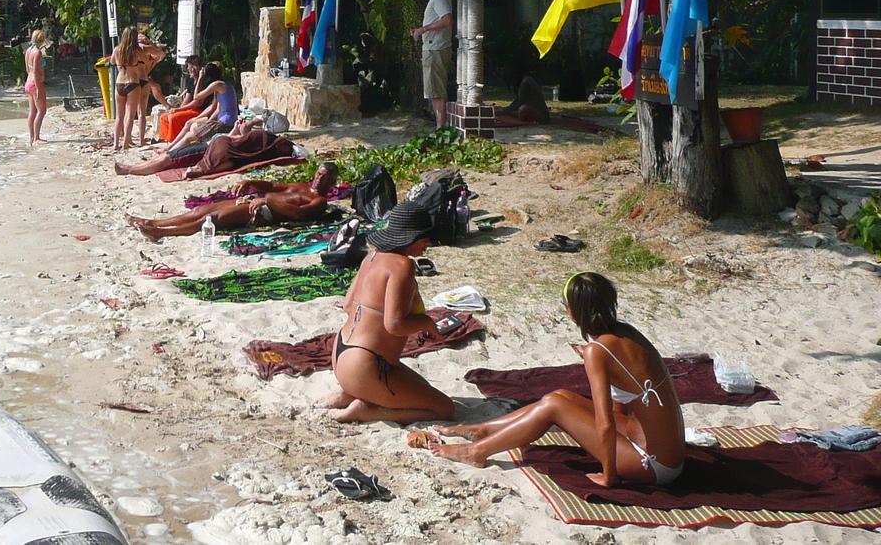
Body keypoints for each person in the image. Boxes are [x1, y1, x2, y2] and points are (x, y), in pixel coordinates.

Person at [413, 272, 685, 487]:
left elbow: (605, 423)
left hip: (653, 465)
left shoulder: (597, 351)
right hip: (664, 452)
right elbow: (622, 408)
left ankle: (477, 452)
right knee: (561, 396)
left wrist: (608, 476)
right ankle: (483, 431)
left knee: (555, 406)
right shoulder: (628, 334)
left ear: (573, 312)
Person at [323, 197, 456, 424]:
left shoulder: (371, 256)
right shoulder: (403, 265)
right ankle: (367, 411)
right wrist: (426, 323)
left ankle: (352, 391)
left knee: (423, 389)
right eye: (425, 237)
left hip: (342, 353)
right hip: (366, 364)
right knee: (445, 409)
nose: (429, 242)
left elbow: (347, 306)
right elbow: (394, 325)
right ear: (410, 237)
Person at [127, 162, 337, 240]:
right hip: (256, 201)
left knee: (211, 219)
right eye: (319, 174)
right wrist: (251, 182)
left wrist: (268, 202)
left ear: (333, 182)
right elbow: (273, 187)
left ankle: (160, 233)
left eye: (325, 176)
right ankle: (153, 223)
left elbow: (298, 215)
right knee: (200, 211)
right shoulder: (301, 186)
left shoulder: (319, 201)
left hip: (265, 213)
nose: (320, 178)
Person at [113, 62, 240, 175]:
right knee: (190, 128)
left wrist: (200, 78)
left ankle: (168, 151)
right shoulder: (225, 85)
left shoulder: (217, 84)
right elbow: (217, 109)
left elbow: (197, 97)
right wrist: (209, 122)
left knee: (189, 136)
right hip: (223, 121)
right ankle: (168, 149)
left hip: (224, 123)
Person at [411, 0, 453, 124]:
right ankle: (441, 127)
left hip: (436, 48)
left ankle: (441, 128)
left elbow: (447, 20)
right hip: (433, 47)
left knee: (436, 91)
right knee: (435, 90)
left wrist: (424, 29)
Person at [24, 28, 49, 144]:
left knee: (32, 111)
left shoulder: (28, 50)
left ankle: (31, 137)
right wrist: (39, 88)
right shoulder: (37, 53)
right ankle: (36, 138)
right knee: (42, 111)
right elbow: (35, 71)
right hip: (35, 83)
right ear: (41, 40)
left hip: (28, 82)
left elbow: (28, 69)